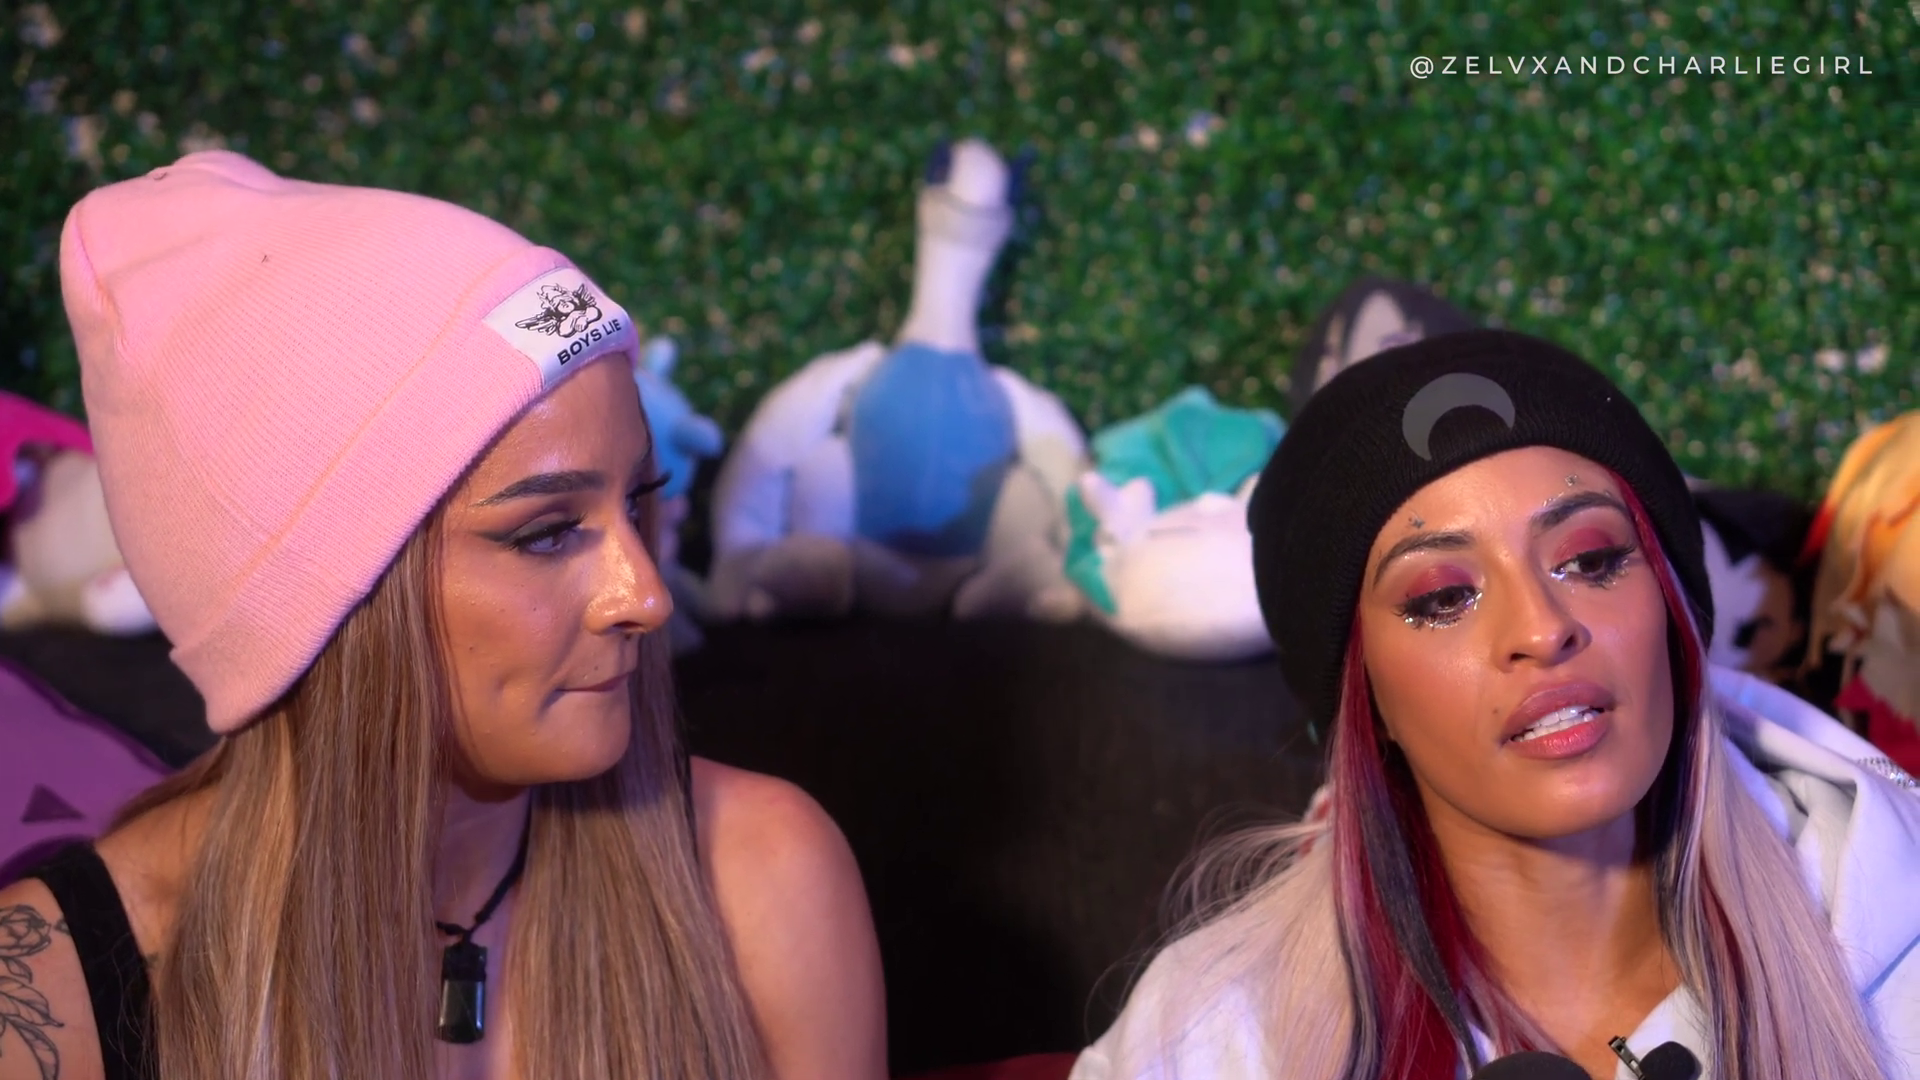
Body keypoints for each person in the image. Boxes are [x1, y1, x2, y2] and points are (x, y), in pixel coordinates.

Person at [0, 152, 887, 1080]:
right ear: (337, 607)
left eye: (639, 500)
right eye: (547, 533)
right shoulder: (51, 1005)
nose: (647, 597)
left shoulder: (761, 878)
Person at [1072, 329, 1920, 1079]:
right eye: (1443, 598)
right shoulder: (1202, 1040)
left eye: (1590, 560)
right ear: (1366, 699)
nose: (1543, 629)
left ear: (1672, 607)